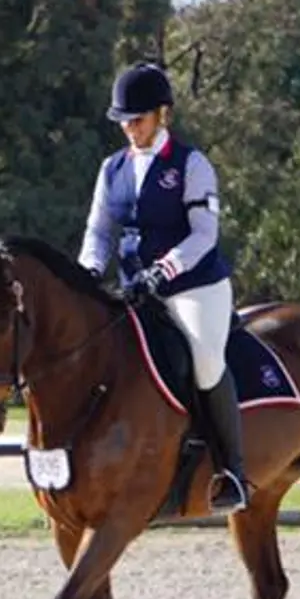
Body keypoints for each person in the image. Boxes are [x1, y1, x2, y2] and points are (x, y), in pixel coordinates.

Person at [76, 61, 248, 512]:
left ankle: (232, 470)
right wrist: (88, 271)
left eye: (139, 119)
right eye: (124, 121)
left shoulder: (192, 165)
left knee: (207, 360)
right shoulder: (111, 168)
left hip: (193, 286)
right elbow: (99, 231)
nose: (130, 129)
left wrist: (163, 271)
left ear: (162, 115)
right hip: (135, 287)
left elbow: (203, 235)